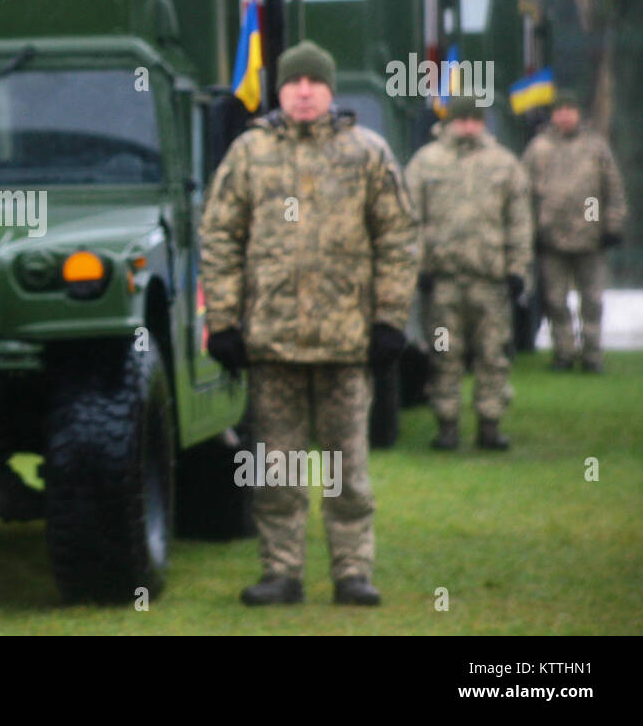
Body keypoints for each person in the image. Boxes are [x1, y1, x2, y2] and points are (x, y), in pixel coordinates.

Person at [200, 40, 418, 607]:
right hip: (271, 344)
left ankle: (352, 572)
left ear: (330, 89)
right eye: (294, 82)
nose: (303, 91)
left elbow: (398, 239)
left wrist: (390, 320)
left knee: (348, 470)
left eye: (314, 83)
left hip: (348, 344)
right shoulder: (249, 153)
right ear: (280, 90)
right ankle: (281, 572)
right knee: (276, 471)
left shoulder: (367, 153)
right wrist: (223, 321)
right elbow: (220, 237)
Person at [404, 95, 533, 451]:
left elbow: (519, 220)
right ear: (449, 122)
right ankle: (446, 426)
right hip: (443, 284)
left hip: (489, 283)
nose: (469, 127)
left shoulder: (504, 164)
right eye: (463, 120)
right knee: (445, 354)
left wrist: (517, 269)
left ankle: (490, 425)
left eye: (476, 120)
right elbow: (409, 218)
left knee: (493, 354)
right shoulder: (425, 163)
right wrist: (419, 267)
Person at [521, 90, 628, 373]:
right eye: (559, 110)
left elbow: (612, 189)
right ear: (553, 115)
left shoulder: (596, 147)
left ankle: (593, 356)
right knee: (555, 301)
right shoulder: (538, 149)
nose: (565, 115)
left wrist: (612, 226)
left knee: (591, 301)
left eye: (570, 109)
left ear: (578, 113)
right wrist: (530, 232)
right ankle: (564, 354)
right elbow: (524, 194)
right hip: (550, 239)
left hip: (590, 238)